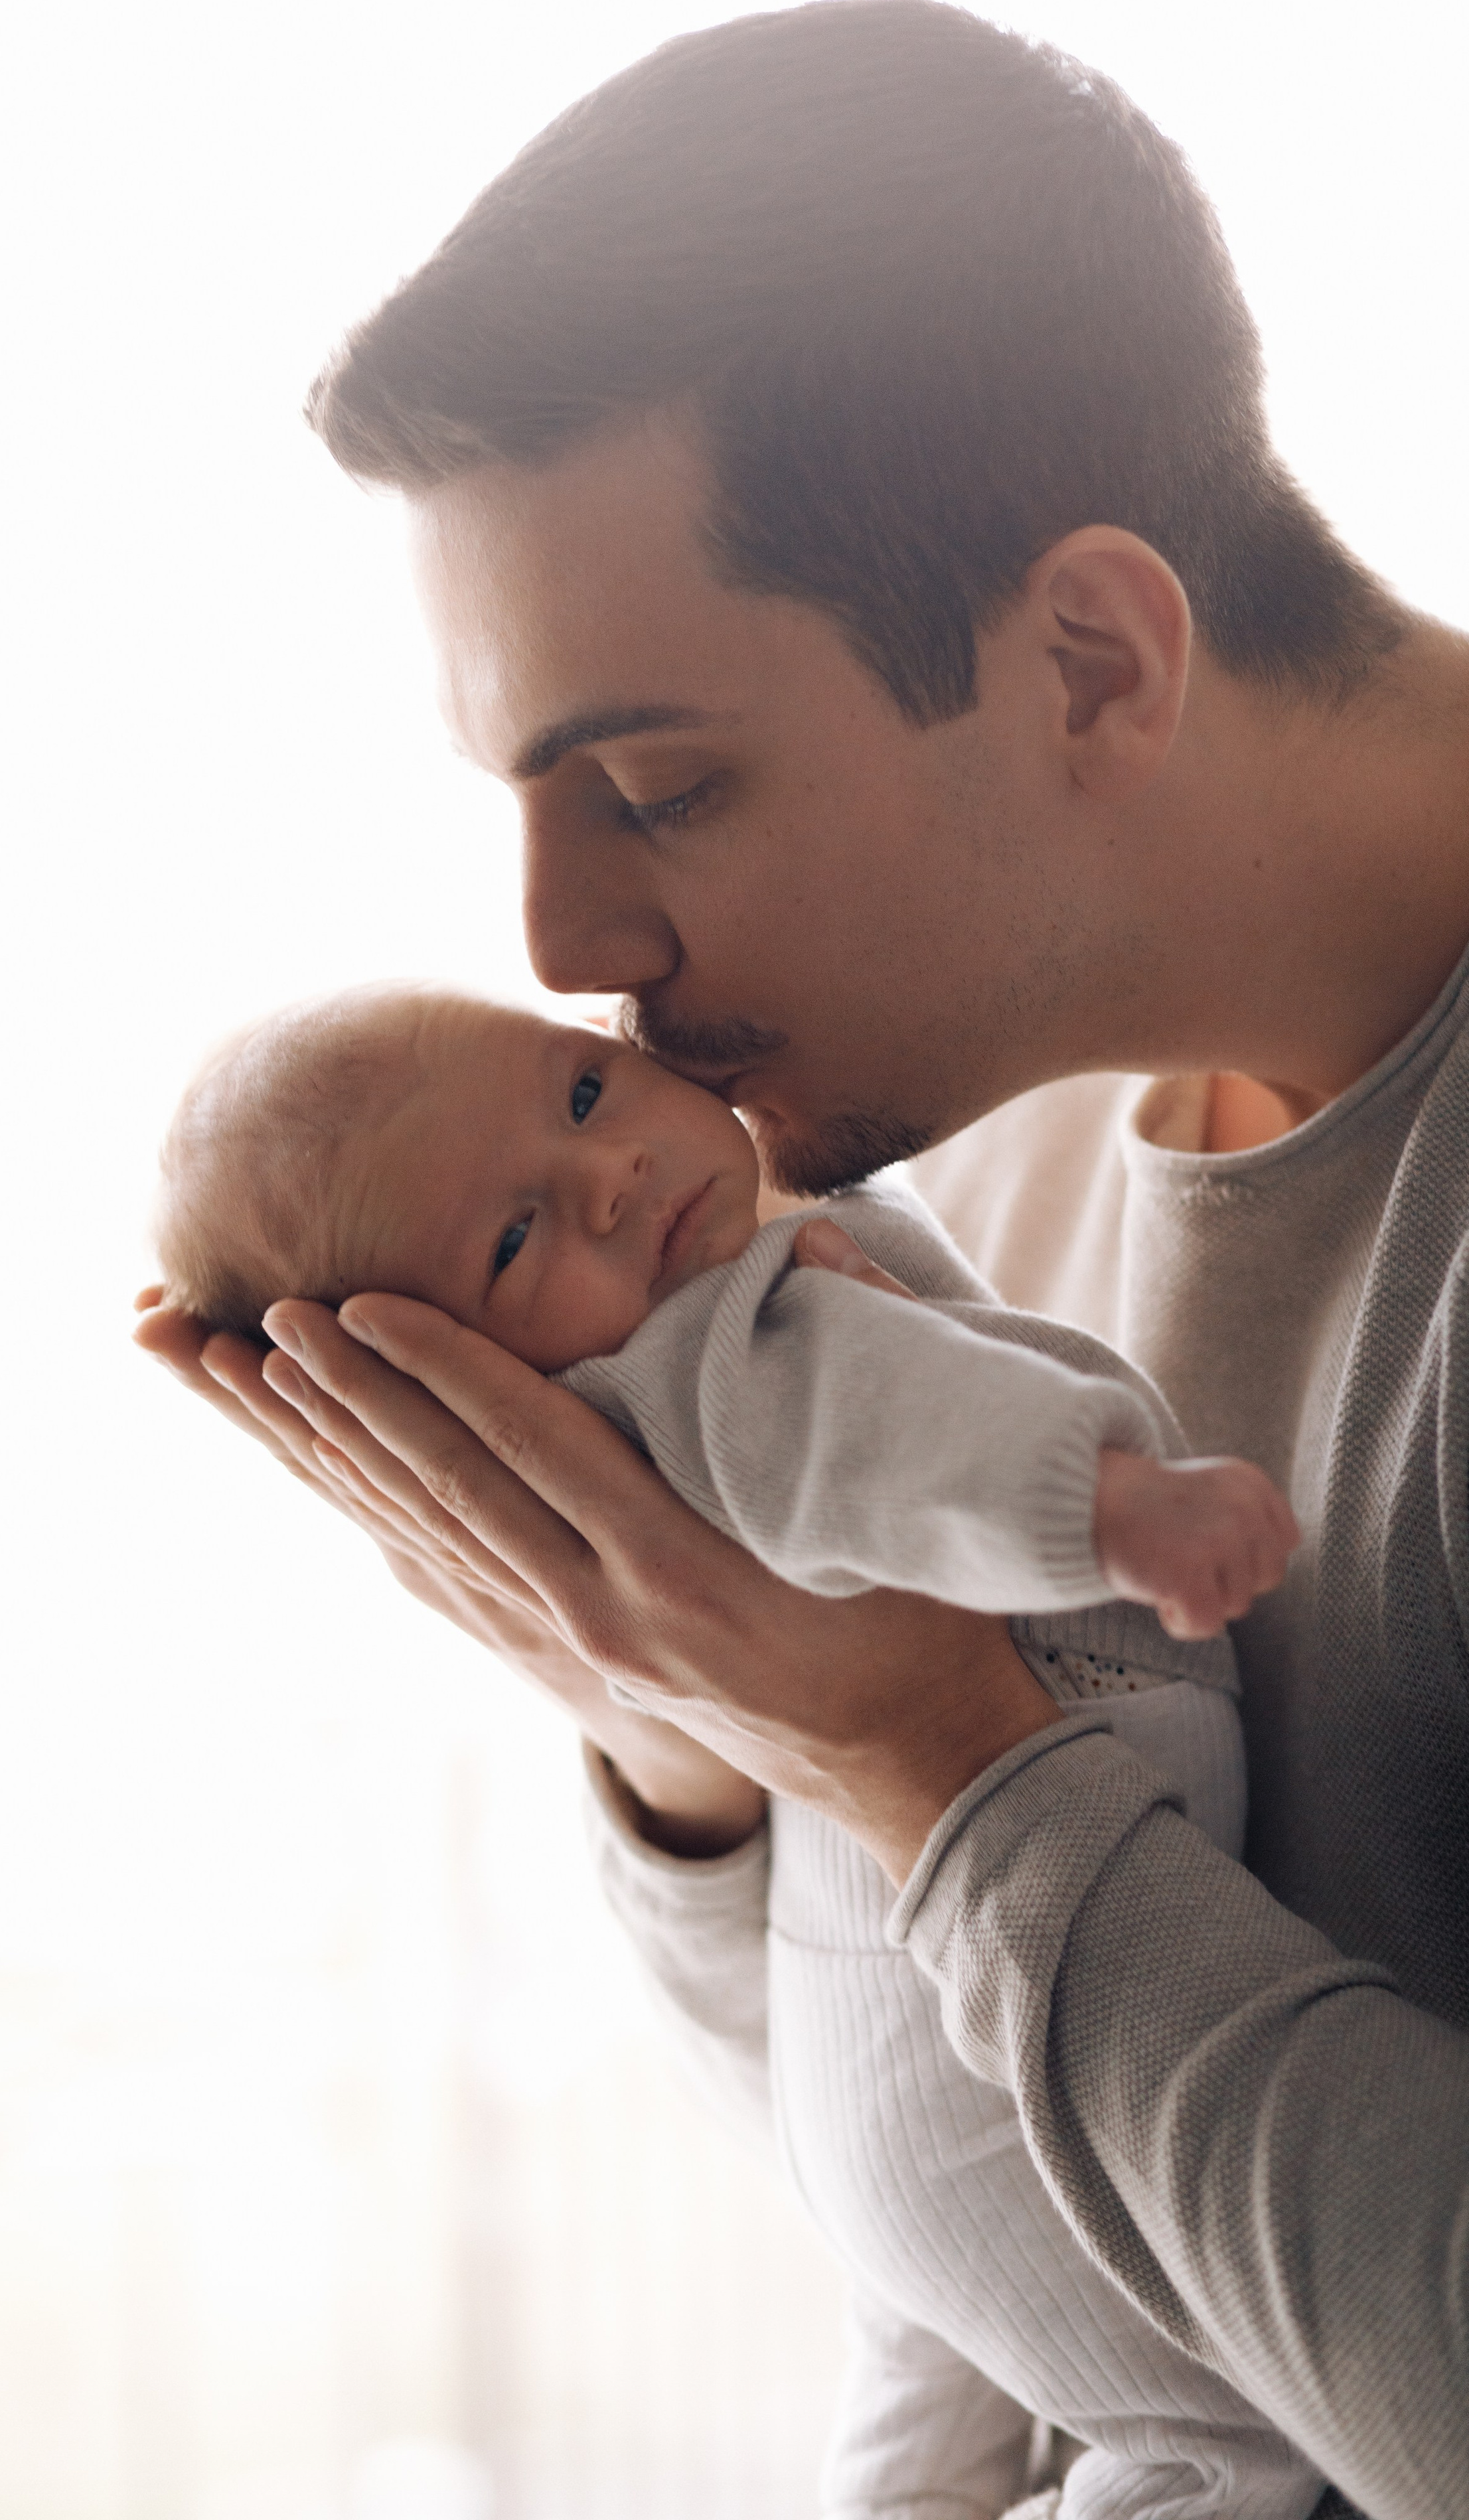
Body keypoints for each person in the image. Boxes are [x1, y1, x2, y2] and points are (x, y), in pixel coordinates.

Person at [135, 0, 1469, 2520]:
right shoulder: (960, 1156)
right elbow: (976, 2196)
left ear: (1092, 655)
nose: (560, 940)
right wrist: (675, 1720)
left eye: (654, 785)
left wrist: (930, 1756)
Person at [151, 977, 1310, 2517]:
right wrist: (1113, 1508)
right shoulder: (724, 1348)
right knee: (1223, 2441)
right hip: (969, 2045)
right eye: (513, 1240)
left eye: (578, 1092)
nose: (610, 1174)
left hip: (885, 2052)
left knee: (927, 2387)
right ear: (463, 1383)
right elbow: (884, 1424)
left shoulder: (740, 1270)